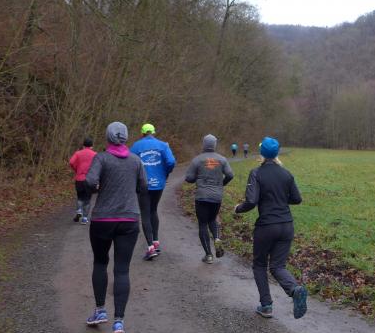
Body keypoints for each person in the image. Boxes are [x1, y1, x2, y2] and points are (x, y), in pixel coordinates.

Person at [84, 122, 147, 333]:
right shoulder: (136, 161)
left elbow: (89, 181)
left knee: (100, 263)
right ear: (126, 138)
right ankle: (119, 322)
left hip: (103, 219)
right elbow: (144, 186)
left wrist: (97, 188)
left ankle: (100, 311)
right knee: (122, 270)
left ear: (108, 137)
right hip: (129, 219)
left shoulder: (101, 158)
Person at [233, 137, 307, 319]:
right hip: (286, 226)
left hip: (266, 226)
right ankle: (294, 289)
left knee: (259, 265)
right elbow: (297, 199)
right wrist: (280, 198)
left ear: (262, 153)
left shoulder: (256, 173)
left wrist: (238, 209)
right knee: (277, 266)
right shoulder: (286, 174)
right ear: (276, 153)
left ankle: (266, 306)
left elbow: (251, 201)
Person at [130, 123, 176, 261]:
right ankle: (155, 242)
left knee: (145, 213)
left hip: (143, 184)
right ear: (153, 132)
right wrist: (165, 173)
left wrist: (135, 177)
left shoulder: (136, 146)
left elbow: (129, 162)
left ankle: (150, 248)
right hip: (159, 184)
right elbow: (171, 162)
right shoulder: (163, 145)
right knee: (153, 210)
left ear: (142, 133)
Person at [184, 134, 234, 264]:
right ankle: (217, 238)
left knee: (202, 224)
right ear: (215, 145)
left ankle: (209, 255)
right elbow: (230, 175)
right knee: (212, 219)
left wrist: (197, 177)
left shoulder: (197, 160)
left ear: (203, 144)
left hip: (202, 196)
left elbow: (189, 178)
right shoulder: (222, 159)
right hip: (216, 196)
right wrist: (221, 184)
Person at [68, 137, 97, 225]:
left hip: (79, 179)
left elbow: (71, 162)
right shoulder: (95, 154)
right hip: (90, 179)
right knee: (87, 200)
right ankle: (84, 219)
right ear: (92, 146)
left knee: (80, 197)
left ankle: (79, 211)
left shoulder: (78, 153)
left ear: (83, 145)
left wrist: (76, 169)